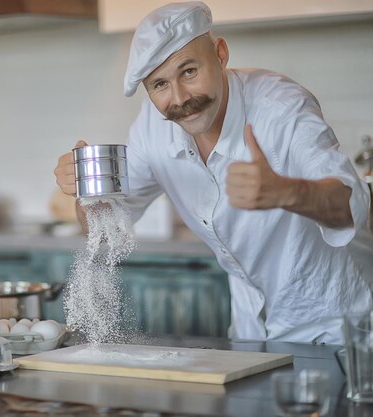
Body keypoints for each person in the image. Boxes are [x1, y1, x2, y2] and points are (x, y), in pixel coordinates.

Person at [54, 1, 373, 344]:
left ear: (220, 54)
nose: (179, 99)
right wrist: (86, 192)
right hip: (252, 333)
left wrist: (285, 192)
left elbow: (353, 204)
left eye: (189, 72)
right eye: (159, 85)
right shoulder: (151, 129)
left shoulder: (281, 106)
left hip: (339, 328)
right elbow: (102, 229)